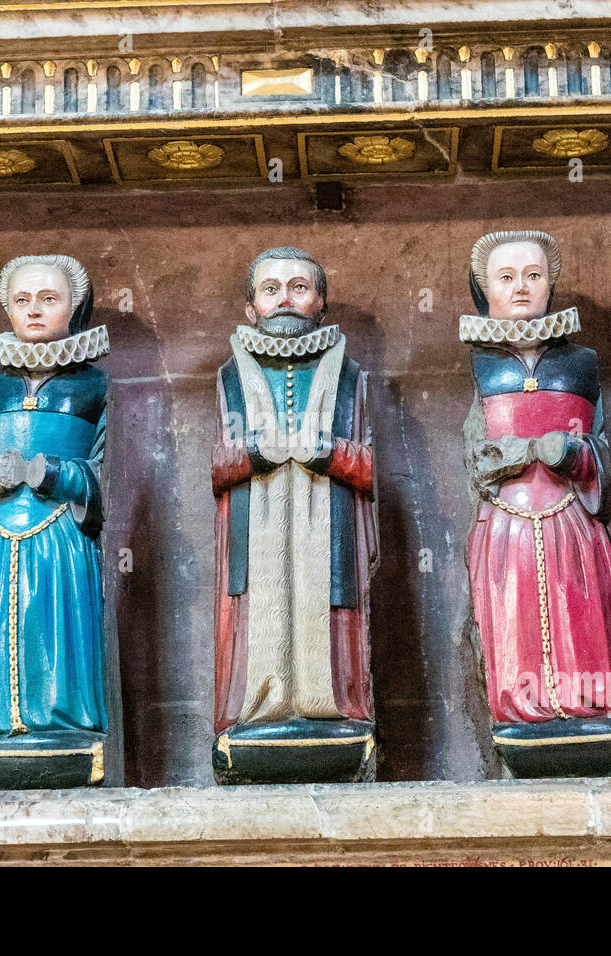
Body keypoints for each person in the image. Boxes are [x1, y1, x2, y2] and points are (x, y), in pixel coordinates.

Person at [461, 230, 611, 777]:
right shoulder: (483, 367)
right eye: (505, 278)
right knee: (513, 614)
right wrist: (498, 462)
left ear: (550, 283)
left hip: (572, 520)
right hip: (506, 522)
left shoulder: (581, 363)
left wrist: (573, 453)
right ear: (484, 289)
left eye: (532, 276)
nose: (520, 288)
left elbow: (603, 455)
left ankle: (589, 709)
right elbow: (475, 459)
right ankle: (520, 714)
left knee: (580, 606)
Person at [209, 247, 379, 783]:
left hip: (330, 527)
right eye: (271, 288)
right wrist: (255, 453)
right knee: (254, 613)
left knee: (333, 612)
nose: (285, 297)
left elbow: (369, 465)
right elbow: (218, 466)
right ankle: (256, 713)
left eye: (299, 287)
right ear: (251, 307)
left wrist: (326, 452)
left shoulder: (350, 376)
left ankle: (336, 712)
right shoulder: (232, 376)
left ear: (321, 301)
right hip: (253, 529)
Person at [0, 253, 111, 789]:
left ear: (74, 307)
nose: (35, 311)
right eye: (23, 301)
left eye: (49, 299)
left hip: (59, 535)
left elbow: (104, 477)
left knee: (55, 628)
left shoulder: (91, 389)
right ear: (7, 310)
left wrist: (49, 473)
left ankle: (62, 730)